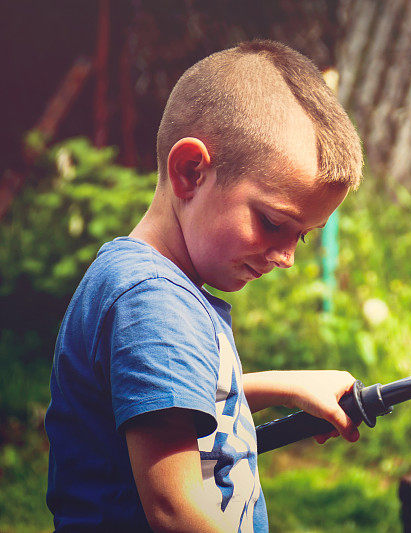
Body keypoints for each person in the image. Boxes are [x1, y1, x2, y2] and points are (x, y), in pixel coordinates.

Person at [45, 39, 363, 532]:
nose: (287, 257)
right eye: (273, 222)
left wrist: (286, 386)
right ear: (191, 172)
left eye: (301, 235)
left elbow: (165, 400)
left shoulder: (156, 287)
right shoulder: (152, 303)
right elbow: (177, 512)